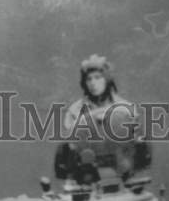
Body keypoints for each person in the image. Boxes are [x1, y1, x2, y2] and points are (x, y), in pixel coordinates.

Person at [55, 54, 150, 182]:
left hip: (122, 172)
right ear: (84, 82)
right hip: (86, 174)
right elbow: (69, 147)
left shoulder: (126, 108)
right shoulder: (75, 110)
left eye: (98, 78)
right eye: (89, 79)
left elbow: (138, 145)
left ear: (107, 79)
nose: (93, 83)